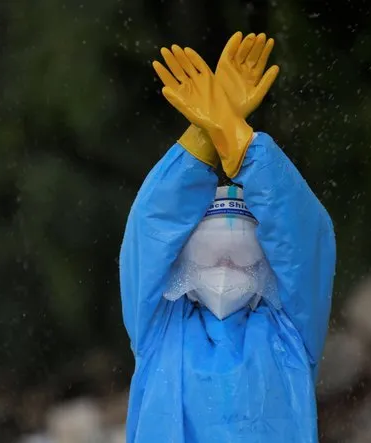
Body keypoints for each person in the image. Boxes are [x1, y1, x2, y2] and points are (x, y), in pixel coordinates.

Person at [119, 31, 337, 443]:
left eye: (239, 258)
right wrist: (206, 136)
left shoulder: (290, 330)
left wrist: (235, 138)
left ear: (266, 261)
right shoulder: (160, 327)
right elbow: (148, 228)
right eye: (210, 257)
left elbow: (304, 237)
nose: (224, 270)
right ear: (182, 260)